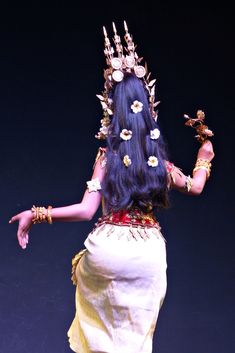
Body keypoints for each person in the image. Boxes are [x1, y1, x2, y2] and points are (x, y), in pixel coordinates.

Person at [9, 22, 214, 353]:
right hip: (147, 254)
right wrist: (204, 157)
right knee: (134, 340)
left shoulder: (107, 156)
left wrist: (36, 213)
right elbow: (194, 187)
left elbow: (86, 209)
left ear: (112, 108)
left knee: (102, 334)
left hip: (107, 251)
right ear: (148, 108)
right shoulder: (159, 164)